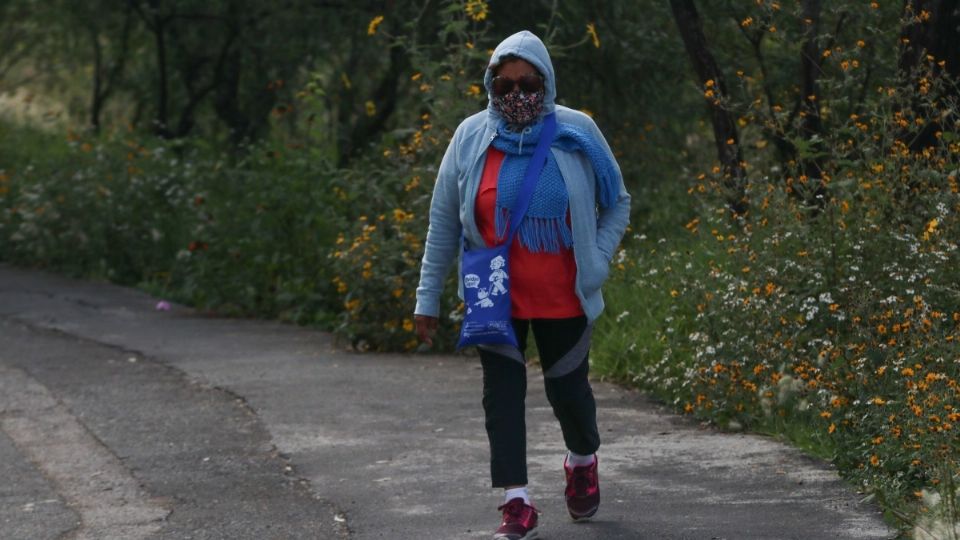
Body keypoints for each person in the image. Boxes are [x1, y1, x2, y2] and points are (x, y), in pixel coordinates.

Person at [414, 30, 630, 540]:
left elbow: (617, 200)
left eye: (527, 82)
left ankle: (581, 458)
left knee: (568, 393)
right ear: (489, 85)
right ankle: (516, 501)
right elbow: (443, 219)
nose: (516, 94)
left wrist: (597, 260)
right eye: (503, 84)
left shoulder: (576, 131)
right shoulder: (471, 136)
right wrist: (427, 296)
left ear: (545, 81)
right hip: (494, 298)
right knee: (502, 398)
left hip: (564, 297)